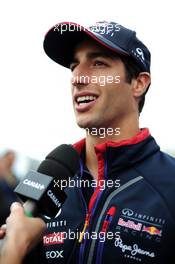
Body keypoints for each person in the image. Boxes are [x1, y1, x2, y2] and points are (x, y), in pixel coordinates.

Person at [29, 21, 175, 263]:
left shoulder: (169, 185)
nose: (77, 78)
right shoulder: (48, 180)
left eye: (98, 63)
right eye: (74, 66)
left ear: (139, 83)